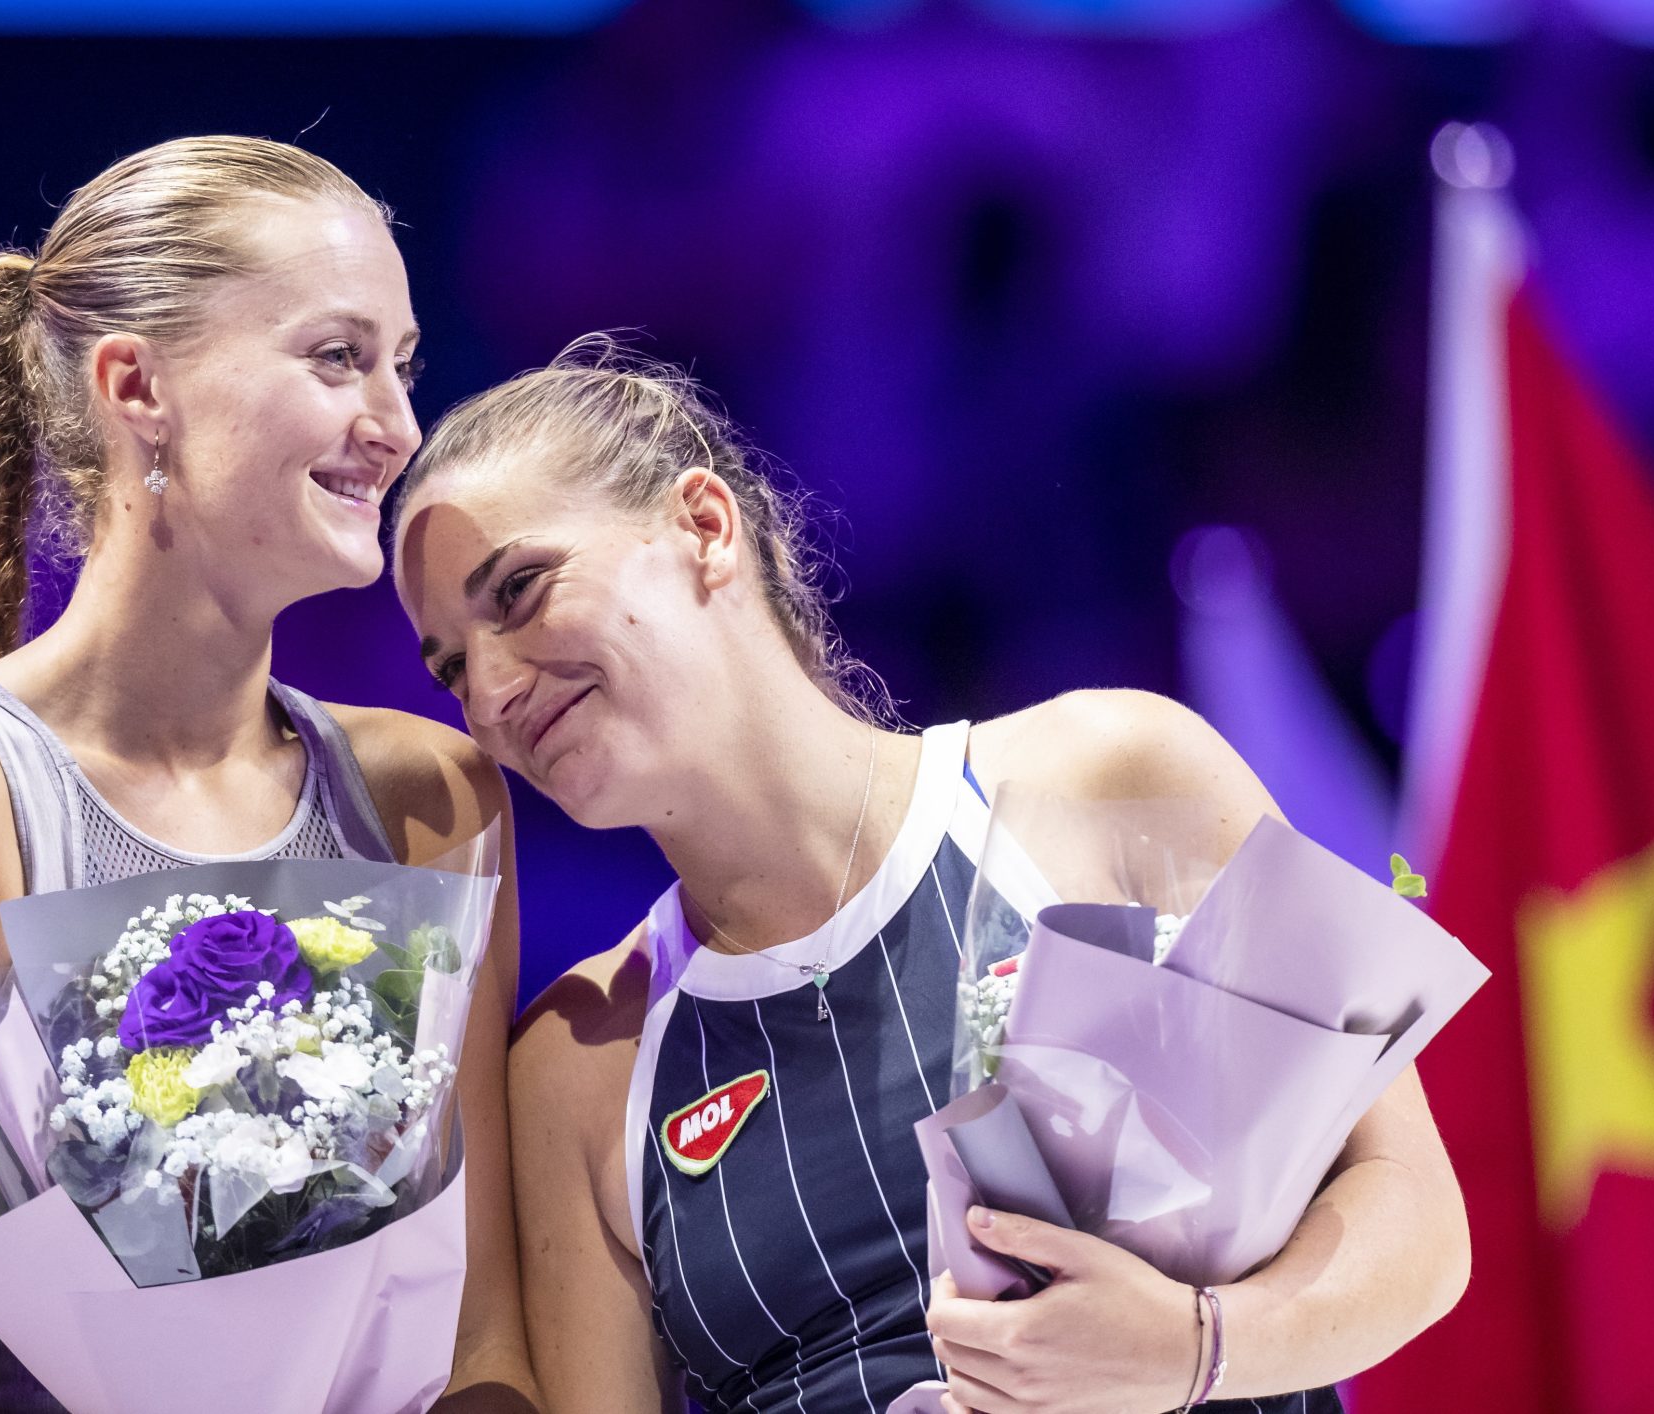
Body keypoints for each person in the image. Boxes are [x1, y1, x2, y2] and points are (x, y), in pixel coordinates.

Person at [391, 338, 1472, 1414]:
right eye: (450, 668)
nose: (490, 692)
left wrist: (1191, 1347)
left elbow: (1414, 1216)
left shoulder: (1114, 777)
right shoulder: (576, 1065)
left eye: (520, 591)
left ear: (705, 527)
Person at [0, 137, 539, 1413]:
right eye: (338, 357)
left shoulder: (431, 797)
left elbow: (488, 1343)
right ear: (136, 386)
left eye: (404, 364)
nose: (396, 428)